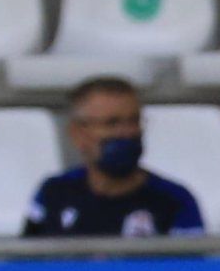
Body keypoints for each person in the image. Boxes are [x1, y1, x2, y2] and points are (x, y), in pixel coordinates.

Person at [24, 76, 207, 237]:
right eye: (112, 123)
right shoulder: (53, 193)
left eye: (134, 121)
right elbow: (24, 267)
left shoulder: (174, 200)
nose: (127, 133)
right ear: (77, 133)